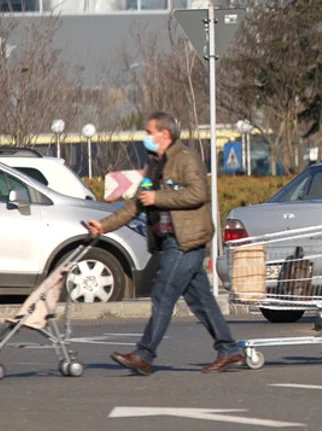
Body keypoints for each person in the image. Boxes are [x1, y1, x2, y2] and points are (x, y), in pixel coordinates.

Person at [87, 112, 242, 376]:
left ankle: (144, 355)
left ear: (165, 134)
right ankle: (228, 350)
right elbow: (138, 203)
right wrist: (104, 226)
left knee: (163, 295)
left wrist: (159, 196)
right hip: (169, 240)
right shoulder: (155, 164)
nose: (145, 137)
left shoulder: (185, 159)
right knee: (202, 300)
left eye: (149, 132)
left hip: (186, 240)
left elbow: (197, 193)